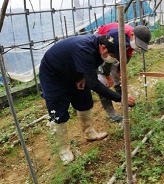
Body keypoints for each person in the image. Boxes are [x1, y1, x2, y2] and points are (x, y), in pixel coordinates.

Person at [39, 29, 135, 165]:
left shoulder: (100, 47)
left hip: (73, 70)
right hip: (54, 75)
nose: (113, 58)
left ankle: (90, 133)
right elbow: (94, 84)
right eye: (113, 55)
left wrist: (83, 76)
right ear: (103, 48)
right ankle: (63, 149)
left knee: (85, 101)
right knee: (58, 113)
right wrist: (120, 98)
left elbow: (90, 69)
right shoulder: (84, 49)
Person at [96, 23, 151, 122]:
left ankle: (123, 99)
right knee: (103, 81)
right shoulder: (116, 36)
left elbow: (127, 55)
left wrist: (120, 70)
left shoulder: (132, 40)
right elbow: (106, 59)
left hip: (114, 48)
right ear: (132, 35)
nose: (138, 46)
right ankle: (110, 112)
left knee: (117, 76)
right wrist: (107, 75)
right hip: (102, 46)